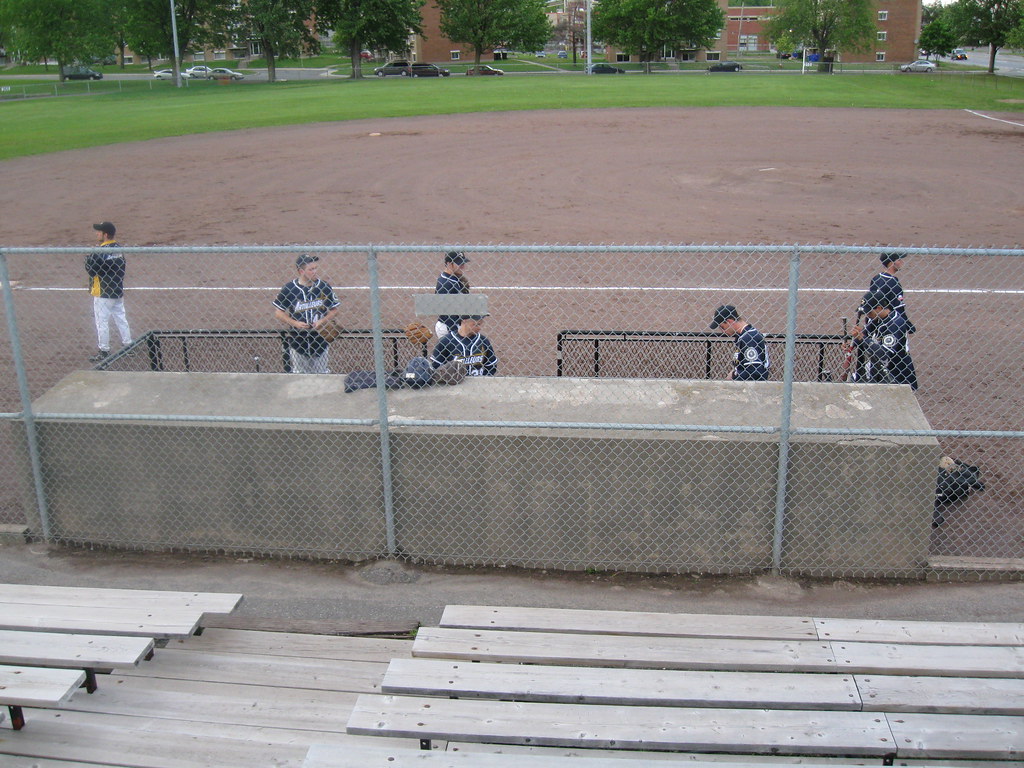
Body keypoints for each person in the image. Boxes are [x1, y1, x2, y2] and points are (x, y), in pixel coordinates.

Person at [273, 254, 341, 374]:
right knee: (300, 374)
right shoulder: (289, 289)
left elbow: (334, 310)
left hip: (320, 339)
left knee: (322, 373)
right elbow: (278, 312)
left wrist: (322, 321)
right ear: (301, 271)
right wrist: (295, 323)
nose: (315, 272)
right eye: (311, 269)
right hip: (298, 340)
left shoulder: (323, 286)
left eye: (316, 268)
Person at [851, 291, 918, 390]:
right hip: (879, 373)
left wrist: (862, 339)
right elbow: (864, 335)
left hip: (897, 377)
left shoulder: (895, 324)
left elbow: (883, 354)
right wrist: (852, 343)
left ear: (879, 308)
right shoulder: (877, 319)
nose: (867, 315)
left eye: (869, 312)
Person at [85, 221, 132, 363]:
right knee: (121, 318)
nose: (96, 234)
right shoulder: (118, 248)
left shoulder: (100, 251)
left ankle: (104, 350)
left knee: (102, 322)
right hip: (117, 289)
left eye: (99, 232)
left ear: (105, 235)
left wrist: (88, 261)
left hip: (103, 292)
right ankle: (128, 345)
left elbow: (92, 271)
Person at [709, 304, 770, 381]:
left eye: (722, 327)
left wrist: (734, 374)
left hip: (752, 388)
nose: (723, 331)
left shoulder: (749, 338)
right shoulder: (743, 336)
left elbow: (755, 372)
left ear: (729, 321)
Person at [430, 314, 497, 376]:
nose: (479, 328)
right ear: (464, 322)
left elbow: (491, 365)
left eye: (480, 324)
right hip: (454, 386)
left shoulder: (483, 341)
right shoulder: (446, 341)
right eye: (476, 325)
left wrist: (484, 379)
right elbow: (435, 367)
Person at [867, 252, 914, 333]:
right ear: (891, 263)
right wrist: (908, 326)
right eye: (899, 260)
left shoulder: (876, 278)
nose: (902, 262)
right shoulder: (893, 282)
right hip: (890, 325)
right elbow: (898, 308)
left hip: (873, 323)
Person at [435, 251, 470, 340]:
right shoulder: (446, 284)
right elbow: (447, 313)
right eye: (459, 263)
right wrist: (455, 333)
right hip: (449, 326)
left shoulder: (453, 279)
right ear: (449, 264)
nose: (463, 266)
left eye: (463, 263)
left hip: (455, 324)